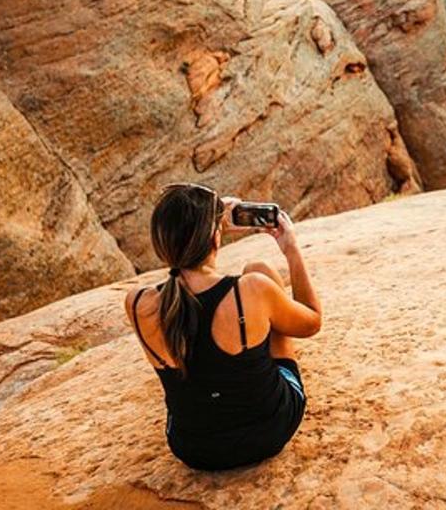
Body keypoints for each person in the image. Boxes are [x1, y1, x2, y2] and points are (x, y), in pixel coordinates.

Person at [124, 183, 322, 470]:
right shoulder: (250, 290)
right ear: (215, 238)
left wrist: (212, 227)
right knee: (260, 271)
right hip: (270, 430)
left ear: (161, 243)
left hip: (193, 448)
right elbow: (312, 321)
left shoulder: (138, 303)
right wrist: (291, 249)